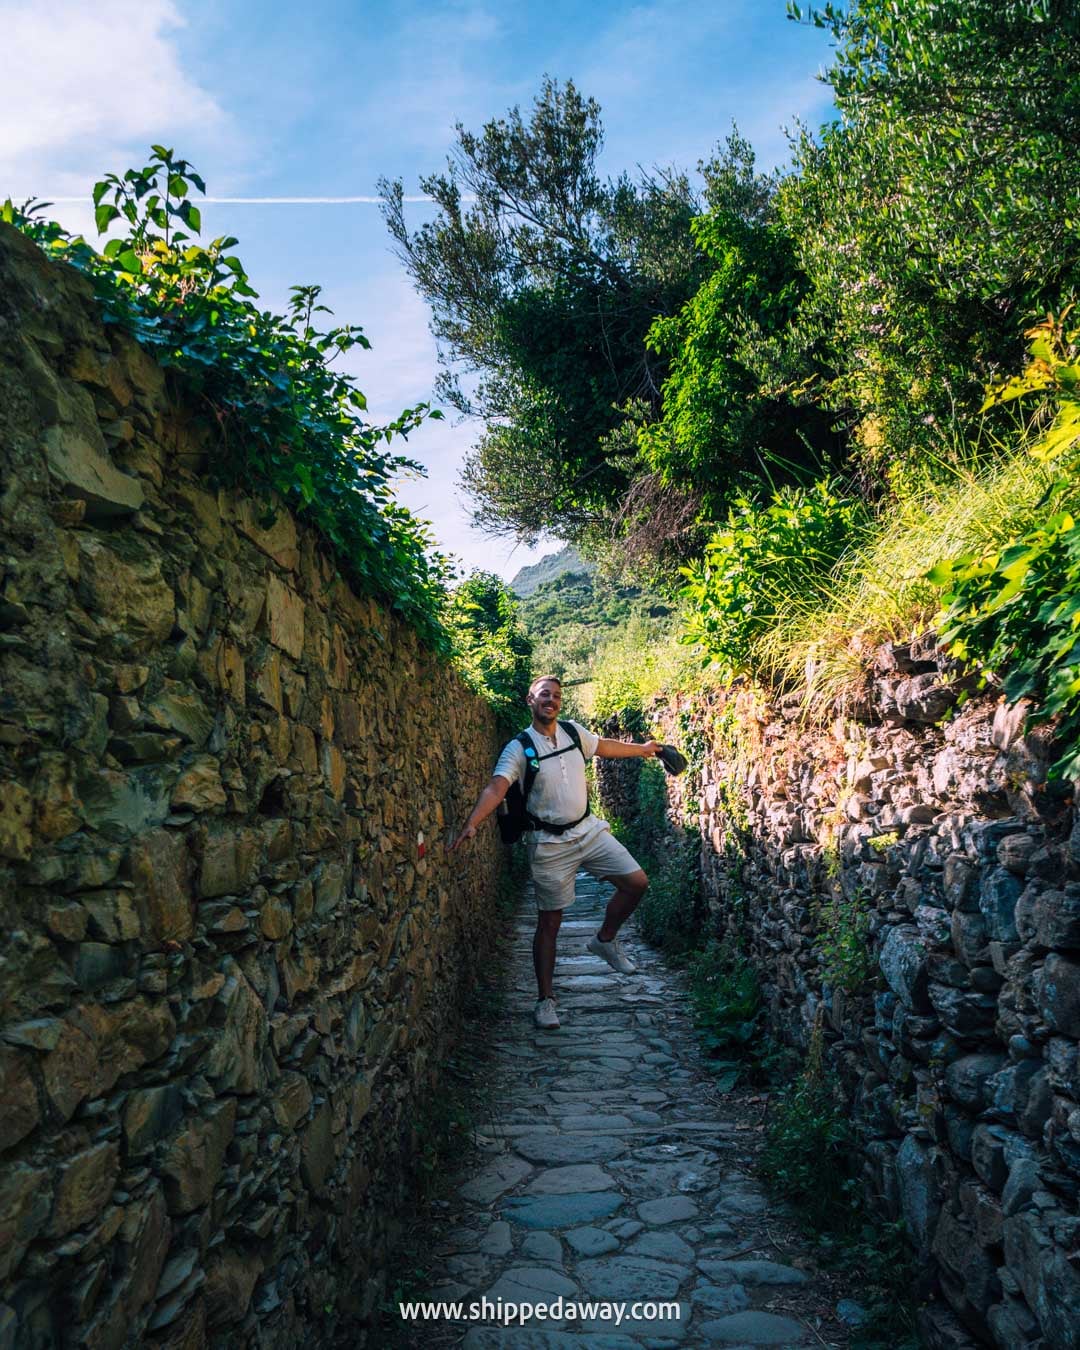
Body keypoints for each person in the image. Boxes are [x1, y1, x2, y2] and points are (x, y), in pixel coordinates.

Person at [450, 675, 661, 1029]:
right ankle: (545, 1001)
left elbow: (603, 746)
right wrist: (474, 821)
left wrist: (642, 749)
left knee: (636, 883)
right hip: (549, 843)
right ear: (530, 700)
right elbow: (497, 786)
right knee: (550, 922)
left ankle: (605, 941)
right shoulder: (519, 748)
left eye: (557, 696)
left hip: (588, 830)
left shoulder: (573, 732)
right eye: (544, 695)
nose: (552, 700)